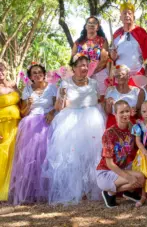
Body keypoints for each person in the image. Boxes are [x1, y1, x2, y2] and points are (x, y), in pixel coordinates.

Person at [42, 54, 106, 204]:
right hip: (71, 121)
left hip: (91, 121)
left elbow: (97, 100)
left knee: (92, 155)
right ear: (74, 68)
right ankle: (75, 190)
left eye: (86, 65)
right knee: (73, 157)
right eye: (80, 65)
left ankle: (91, 189)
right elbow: (58, 107)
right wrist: (62, 97)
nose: (84, 68)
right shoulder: (65, 83)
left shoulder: (94, 83)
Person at [8, 64, 57, 204]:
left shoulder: (52, 87)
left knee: (47, 156)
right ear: (30, 77)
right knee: (31, 159)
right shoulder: (27, 90)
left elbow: (57, 105)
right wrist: (28, 105)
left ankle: (48, 191)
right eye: (34, 73)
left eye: (40, 72)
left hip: (48, 121)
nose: (37, 75)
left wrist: (52, 113)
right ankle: (32, 192)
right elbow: (23, 112)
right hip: (31, 125)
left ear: (44, 74)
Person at [96, 100, 144, 208]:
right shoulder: (109, 133)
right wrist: (128, 177)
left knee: (142, 175)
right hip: (106, 172)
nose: (125, 114)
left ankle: (128, 192)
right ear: (115, 114)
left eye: (127, 111)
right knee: (138, 178)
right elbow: (109, 163)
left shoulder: (133, 129)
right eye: (121, 112)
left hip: (123, 168)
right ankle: (109, 192)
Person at [110, 1, 147, 85]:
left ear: (133, 16)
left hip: (138, 75)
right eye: (124, 13)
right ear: (120, 17)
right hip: (120, 76)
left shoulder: (141, 32)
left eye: (129, 13)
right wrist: (113, 57)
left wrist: (144, 71)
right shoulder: (116, 35)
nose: (127, 15)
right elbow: (111, 59)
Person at [72, 16, 109, 99]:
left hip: (99, 73)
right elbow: (73, 58)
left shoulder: (103, 40)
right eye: (89, 23)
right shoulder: (78, 42)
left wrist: (92, 71)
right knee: (82, 98)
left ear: (98, 27)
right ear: (85, 26)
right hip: (82, 75)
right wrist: (84, 73)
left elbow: (104, 59)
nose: (91, 25)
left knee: (100, 99)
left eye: (94, 23)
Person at [0, 59, 20, 201]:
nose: (0, 72)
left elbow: (22, 102)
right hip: (2, 127)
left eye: (2, 69)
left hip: (16, 125)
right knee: (3, 157)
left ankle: (11, 191)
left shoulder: (13, 85)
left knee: (15, 158)